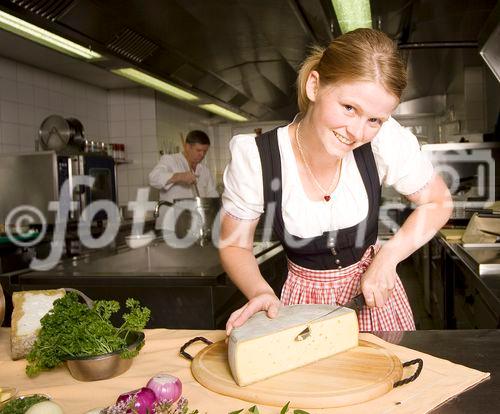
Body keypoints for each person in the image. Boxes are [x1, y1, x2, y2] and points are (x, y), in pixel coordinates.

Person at [219, 28, 452, 334]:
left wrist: (386, 261)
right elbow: (235, 245)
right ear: (315, 86)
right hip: (306, 308)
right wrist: (260, 292)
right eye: (348, 108)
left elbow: (438, 201)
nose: (356, 132)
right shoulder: (257, 157)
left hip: (375, 300)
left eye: (374, 120)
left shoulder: (385, 140)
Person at [149, 130, 218, 230]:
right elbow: (153, 178)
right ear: (187, 147)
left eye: (205, 151)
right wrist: (179, 176)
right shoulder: (170, 160)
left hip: (194, 227)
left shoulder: (204, 170)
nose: (202, 155)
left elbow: (212, 194)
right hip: (171, 227)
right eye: (198, 150)